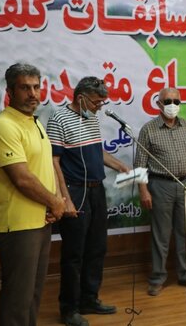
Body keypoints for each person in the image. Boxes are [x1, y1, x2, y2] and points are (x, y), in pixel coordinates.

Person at [0, 63, 66, 326]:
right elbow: (22, 178)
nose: (33, 94)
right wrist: (55, 202)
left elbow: (45, 167)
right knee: (18, 299)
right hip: (18, 224)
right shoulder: (4, 126)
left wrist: (54, 203)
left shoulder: (34, 122)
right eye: (25, 88)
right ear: (9, 91)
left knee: (32, 295)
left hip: (40, 219)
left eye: (36, 87)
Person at [47, 76, 130, 326]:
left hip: (96, 190)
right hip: (75, 191)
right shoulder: (59, 118)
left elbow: (96, 150)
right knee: (74, 253)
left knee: (97, 247)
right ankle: (69, 308)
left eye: (102, 103)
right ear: (81, 98)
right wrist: (65, 198)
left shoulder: (91, 117)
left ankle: (89, 299)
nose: (99, 107)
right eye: (96, 102)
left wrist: (120, 165)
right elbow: (53, 162)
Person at [135, 88, 186, 296]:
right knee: (161, 235)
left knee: (185, 232)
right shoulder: (148, 130)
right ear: (159, 104)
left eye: (176, 101)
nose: (172, 105)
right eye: (167, 101)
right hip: (160, 186)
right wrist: (143, 191)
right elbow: (139, 164)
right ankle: (157, 278)